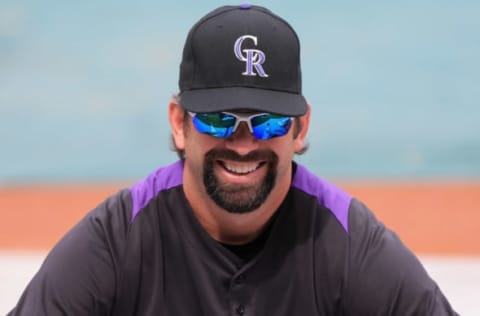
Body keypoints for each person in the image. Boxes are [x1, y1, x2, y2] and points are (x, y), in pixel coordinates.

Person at [9, 4, 458, 315]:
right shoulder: (116, 241)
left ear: (300, 129)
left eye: (267, 123)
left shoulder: (348, 243)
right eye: (219, 120)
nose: (243, 144)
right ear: (179, 124)